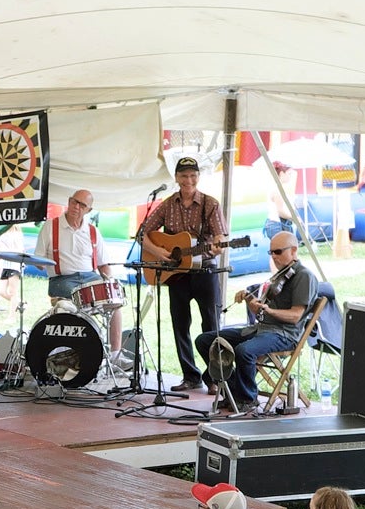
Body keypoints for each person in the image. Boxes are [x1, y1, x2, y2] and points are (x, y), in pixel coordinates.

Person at [137, 158, 227, 391]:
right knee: (180, 325)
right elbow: (142, 234)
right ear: (176, 178)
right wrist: (158, 251)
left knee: (211, 324)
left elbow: (219, 236)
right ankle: (190, 376)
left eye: (193, 175)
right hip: (176, 274)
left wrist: (218, 244)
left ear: (198, 177)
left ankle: (214, 377)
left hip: (204, 270)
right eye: (184, 176)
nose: (189, 180)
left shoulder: (210, 204)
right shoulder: (167, 205)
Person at [207, 230, 311, 412]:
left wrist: (269, 310)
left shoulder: (304, 277)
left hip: (284, 334)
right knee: (207, 340)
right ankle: (232, 392)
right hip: (261, 329)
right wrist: (249, 300)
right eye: (271, 252)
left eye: (278, 252)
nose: (274, 257)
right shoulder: (279, 275)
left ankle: (247, 399)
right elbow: (260, 311)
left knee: (244, 351)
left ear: (294, 250)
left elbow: (295, 316)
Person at [37, 188, 127, 365]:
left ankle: (115, 356)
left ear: (89, 210)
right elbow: (38, 259)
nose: (76, 206)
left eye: (82, 204)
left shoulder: (93, 231)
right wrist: (42, 263)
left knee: (115, 304)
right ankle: (67, 356)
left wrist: (110, 283)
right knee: (68, 308)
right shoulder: (51, 226)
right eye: (73, 201)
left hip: (90, 279)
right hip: (62, 280)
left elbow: (103, 265)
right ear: (69, 201)